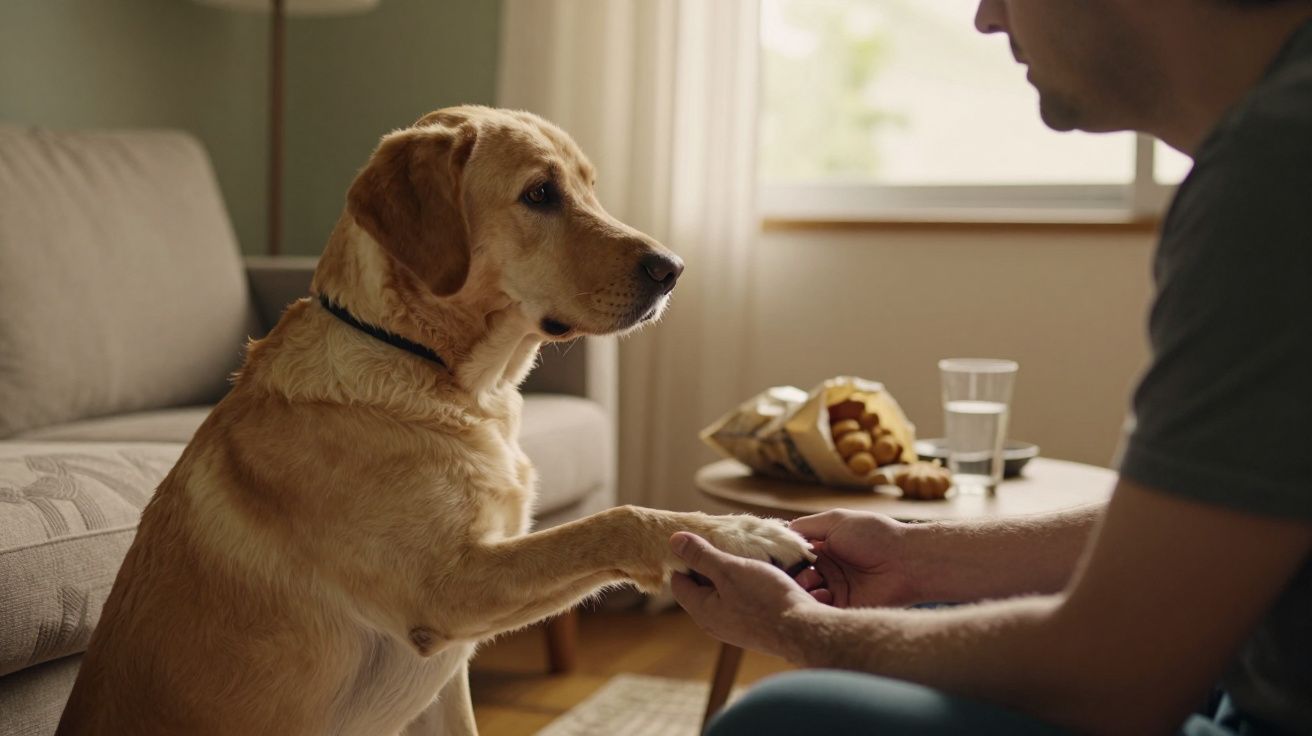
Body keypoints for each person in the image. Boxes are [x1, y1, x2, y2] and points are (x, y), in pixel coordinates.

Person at [670, 1, 1312, 734]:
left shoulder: (1279, 169)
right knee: (931, 607)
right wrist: (913, 554)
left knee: (782, 721)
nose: (985, 17)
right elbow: (1211, 525)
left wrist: (797, 629)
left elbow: (1110, 681)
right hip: (1250, 675)